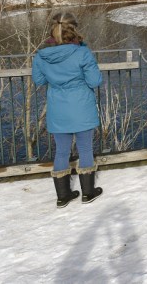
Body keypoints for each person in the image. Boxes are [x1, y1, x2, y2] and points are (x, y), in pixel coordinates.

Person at [32, 12, 104, 208]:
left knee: (61, 152)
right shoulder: (82, 53)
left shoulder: (41, 55)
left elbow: (39, 80)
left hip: (58, 108)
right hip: (81, 107)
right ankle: (88, 193)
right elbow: (94, 81)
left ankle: (63, 197)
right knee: (85, 149)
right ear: (74, 28)